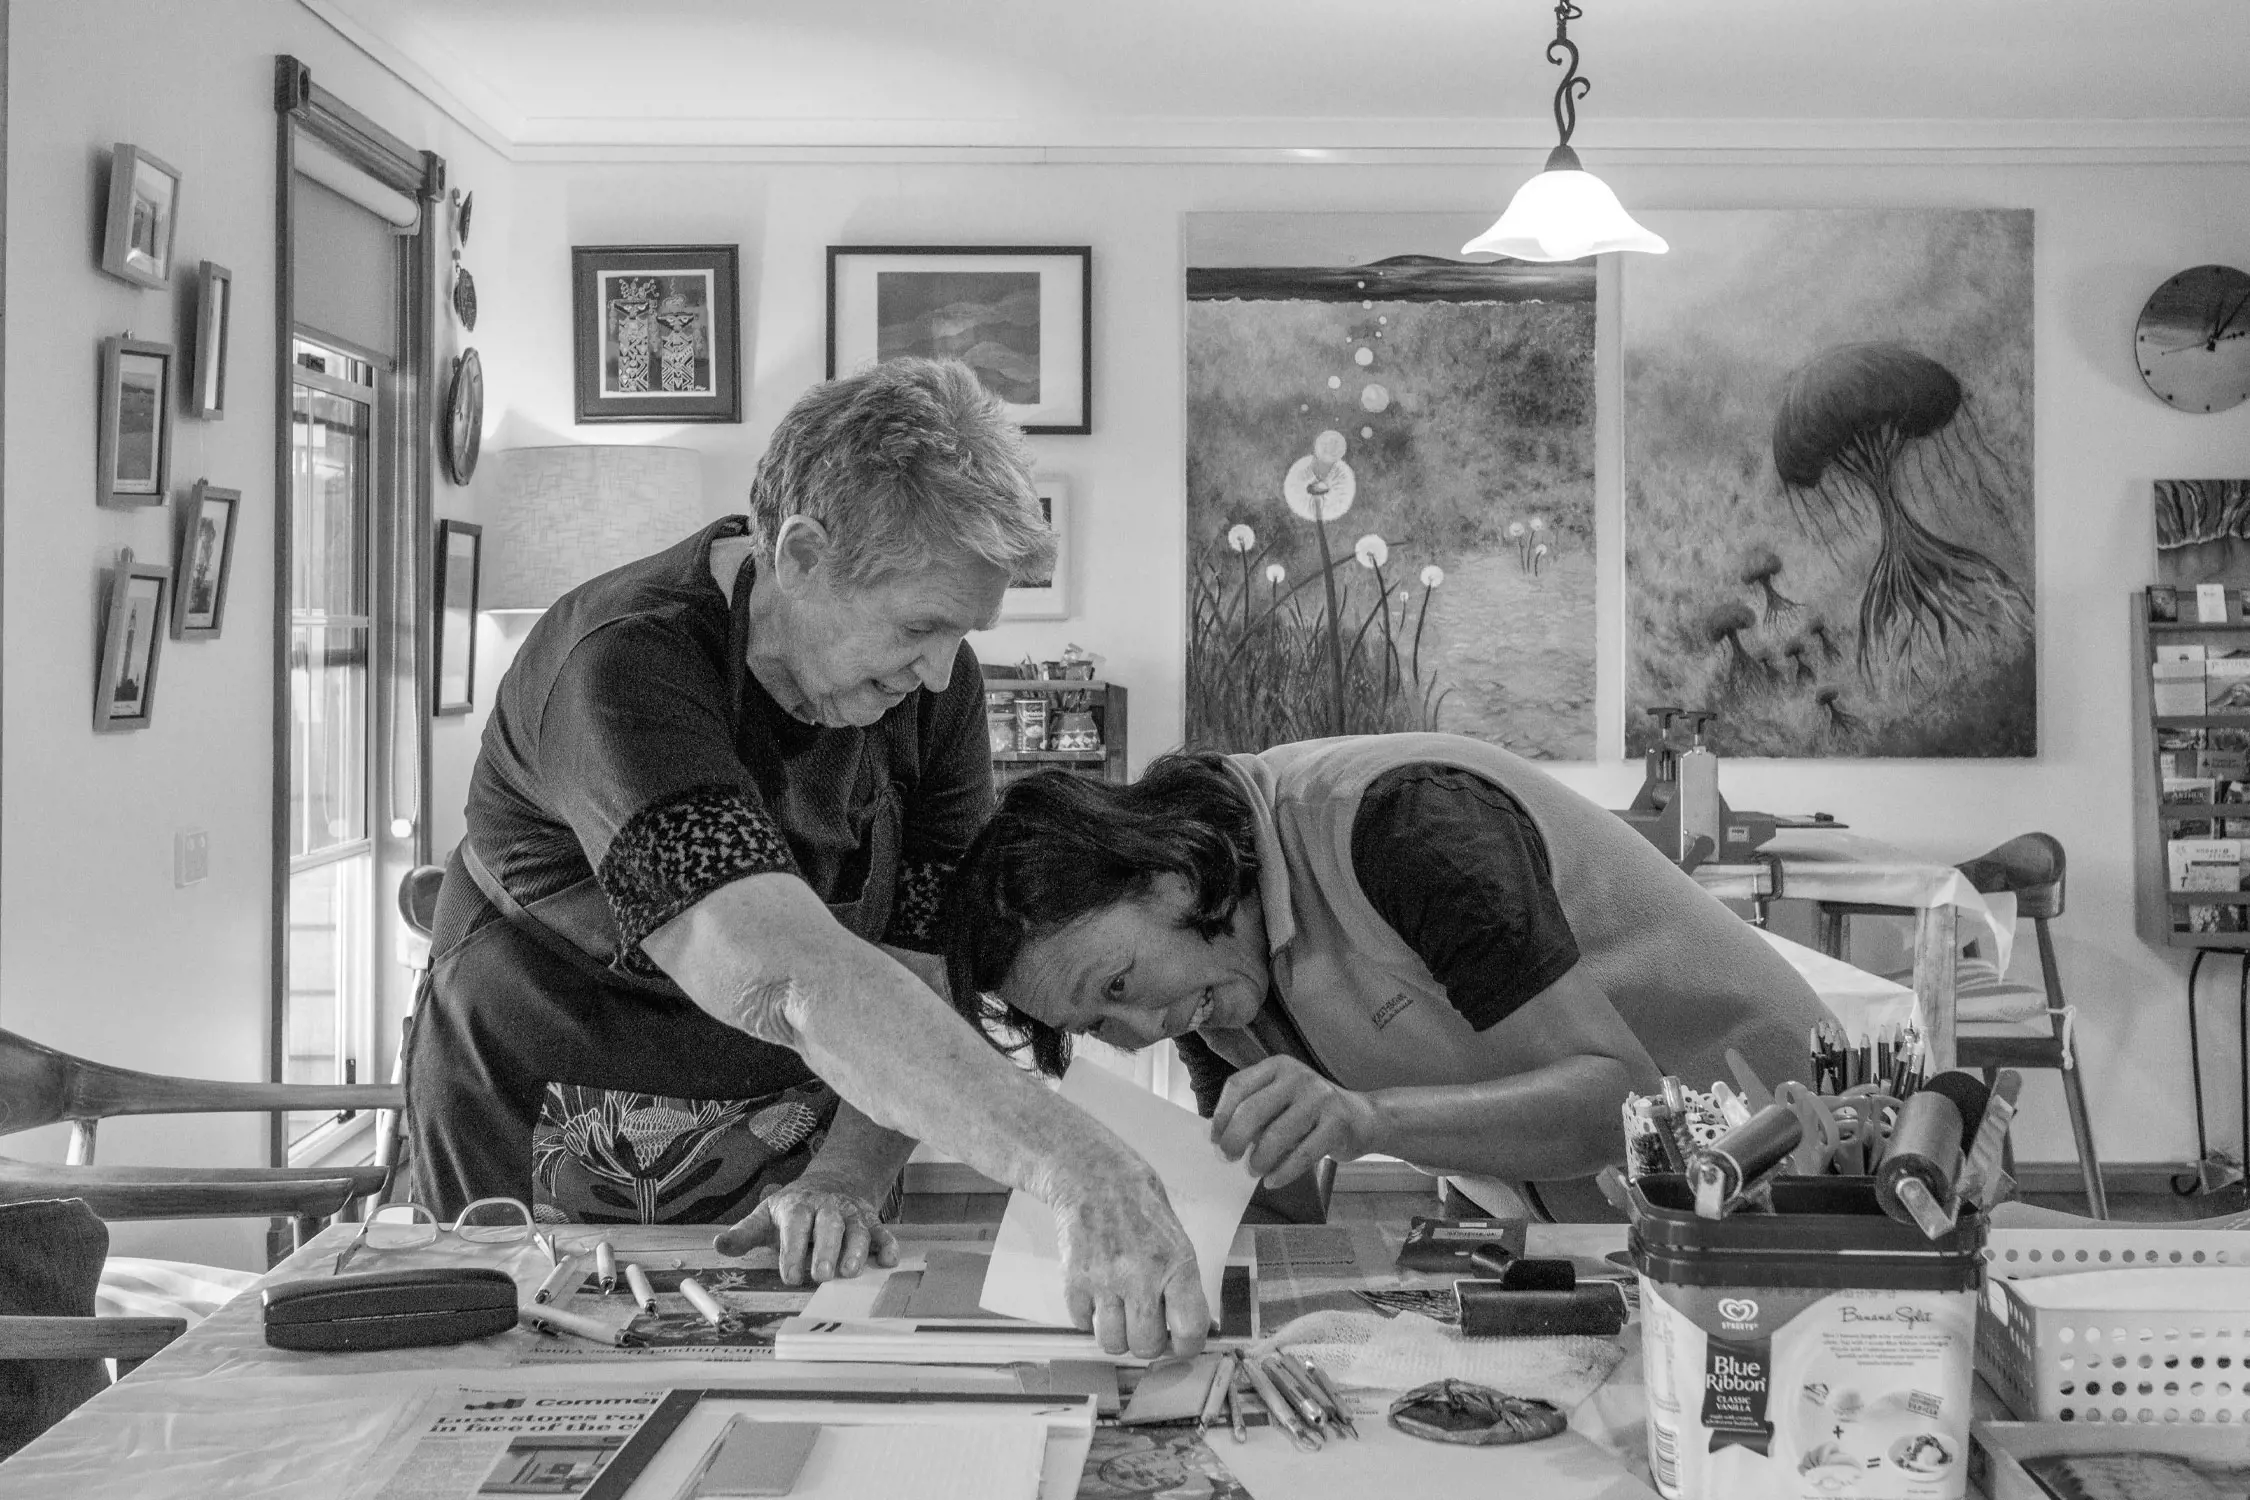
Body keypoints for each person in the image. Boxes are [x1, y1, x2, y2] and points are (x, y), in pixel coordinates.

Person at [407, 359, 1206, 1357]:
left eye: (963, 631)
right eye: (922, 624)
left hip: (802, 1108)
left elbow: (921, 955)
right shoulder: (623, 666)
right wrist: (1082, 1166)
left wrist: (851, 1169)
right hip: (551, 1096)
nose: (942, 668)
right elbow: (782, 977)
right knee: (542, 1384)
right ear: (802, 552)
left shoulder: (931, 688)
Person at [942, 732, 1840, 1221]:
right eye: (1098, 1027)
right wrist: (1157, 1219)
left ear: (1169, 878)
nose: (1140, 1034)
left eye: (1118, 987)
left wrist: (1367, 1120)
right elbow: (1275, 1200)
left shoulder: (1402, 826)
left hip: (1803, 1168)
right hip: (1627, 1229)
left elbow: (1619, 1104)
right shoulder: (1211, 983)